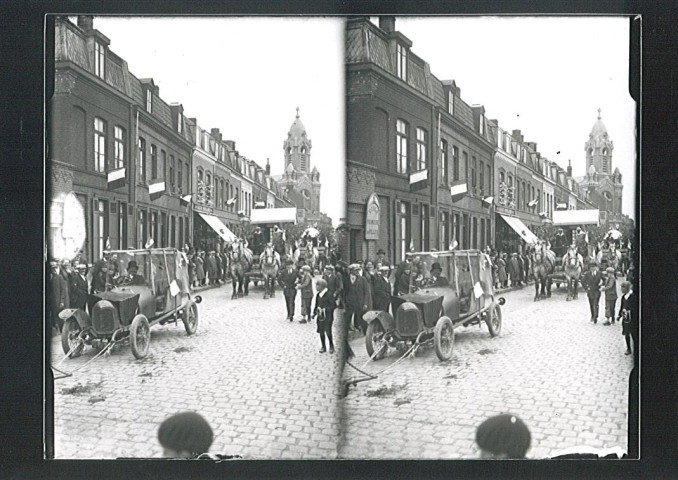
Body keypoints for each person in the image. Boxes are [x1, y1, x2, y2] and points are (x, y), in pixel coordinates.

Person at [345, 263, 371, 333]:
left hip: (359, 302)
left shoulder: (362, 279)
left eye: (358, 270)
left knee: (359, 316)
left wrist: (365, 303)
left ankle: (359, 328)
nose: (357, 272)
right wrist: (345, 301)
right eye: (355, 270)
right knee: (348, 316)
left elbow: (366, 292)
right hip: (349, 302)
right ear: (351, 271)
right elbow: (344, 292)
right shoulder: (346, 279)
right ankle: (348, 328)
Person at [312, 278, 336, 354]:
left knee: (328, 331)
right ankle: (323, 346)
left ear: (322, 286)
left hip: (328, 316)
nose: (316, 287)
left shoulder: (329, 294)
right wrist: (314, 313)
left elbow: (334, 305)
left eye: (317, 286)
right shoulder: (318, 295)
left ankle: (331, 346)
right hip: (320, 316)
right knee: (321, 331)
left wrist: (325, 309)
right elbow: (316, 305)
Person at [618, 281, 638, 356]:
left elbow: (635, 307)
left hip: (632, 319)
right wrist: (619, 315)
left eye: (623, 288)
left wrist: (630, 312)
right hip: (625, 318)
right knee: (626, 334)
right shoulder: (623, 297)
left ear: (627, 289)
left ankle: (636, 348)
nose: (621, 290)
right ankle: (628, 348)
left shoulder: (633, 297)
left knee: (633, 334)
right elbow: (622, 306)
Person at [49, 260, 69, 333]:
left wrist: (62, 301)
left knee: (59, 318)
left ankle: (61, 331)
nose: (53, 269)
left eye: (54, 268)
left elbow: (63, 290)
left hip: (57, 302)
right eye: (52, 268)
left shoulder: (59, 277)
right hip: (51, 302)